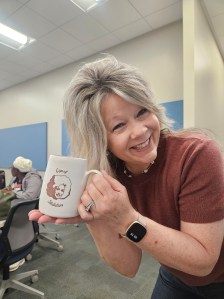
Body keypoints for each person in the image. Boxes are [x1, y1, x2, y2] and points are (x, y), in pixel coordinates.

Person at [29, 56, 224, 299]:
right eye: (119, 126)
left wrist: (126, 219)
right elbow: (128, 267)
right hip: (174, 271)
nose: (140, 131)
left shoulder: (197, 153)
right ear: (101, 140)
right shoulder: (110, 175)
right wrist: (96, 218)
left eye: (142, 112)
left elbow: (204, 262)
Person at [1, 156, 42, 272]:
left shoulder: (34, 179)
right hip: (13, 208)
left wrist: (13, 192)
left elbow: (30, 197)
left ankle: (11, 251)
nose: (10, 169)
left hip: (24, 212)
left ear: (17, 169)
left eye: (12, 168)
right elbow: (12, 190)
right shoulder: (15, 179)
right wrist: (8, 190)